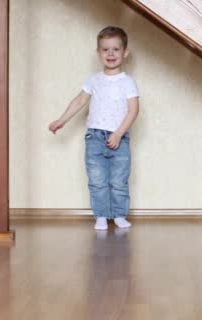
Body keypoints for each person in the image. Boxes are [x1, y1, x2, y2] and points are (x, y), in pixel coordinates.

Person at [49, 26, 139, 230]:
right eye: (105, 49)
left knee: (118, 180)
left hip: (119, 138)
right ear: (98, 53)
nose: (110, 54)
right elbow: (79, 101)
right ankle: (100, 216)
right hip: (95, 138)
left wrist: (118, 134)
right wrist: (62, 120)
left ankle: (118, 215)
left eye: (116, 49)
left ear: (125, 53)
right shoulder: (94, 80)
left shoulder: (128, 82)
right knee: (97, 179)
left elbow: (133, 111)